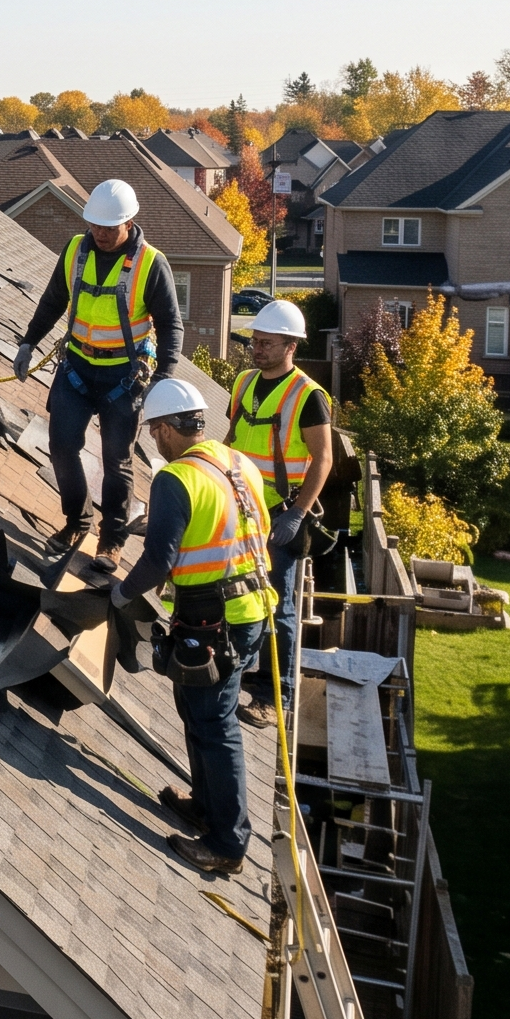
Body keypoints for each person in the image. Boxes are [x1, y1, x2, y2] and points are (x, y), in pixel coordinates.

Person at [110, 377, 279, 876]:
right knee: (196, 707)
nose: (153, 442)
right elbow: (255, 529)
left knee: (214, 722)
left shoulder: (175, 479)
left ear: (163, 429)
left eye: (153, 431)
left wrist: (118, 594)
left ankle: (228, 844)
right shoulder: (239, 463)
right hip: (248, 610)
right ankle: (205, 805)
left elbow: (158, 560)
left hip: (215, 617)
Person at [9, 178, 181, 558]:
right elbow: (54, 299)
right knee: (62, 446)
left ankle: (112, 540)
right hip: (77, 368)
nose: (101, 234)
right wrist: (28, 341)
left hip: (124, 376)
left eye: (109, 227)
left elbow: (171, 324)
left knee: (116, 460)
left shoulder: (151, 264)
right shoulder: (75, 250)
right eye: (95, 226)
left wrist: (165, 379)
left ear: (129, 222)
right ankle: (77, 522)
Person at [228, 298, 333, 727]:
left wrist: (298, 514)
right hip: (239, 507)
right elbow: (233, 439)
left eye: (267, 343)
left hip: (279, 515)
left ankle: (278, 695)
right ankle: (244, 671)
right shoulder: (243, 383)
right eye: (255, 341)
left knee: (280, 609)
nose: (257, 348)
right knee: (238, 593)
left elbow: (323, 459)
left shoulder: (308, 396)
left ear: (291, 345)